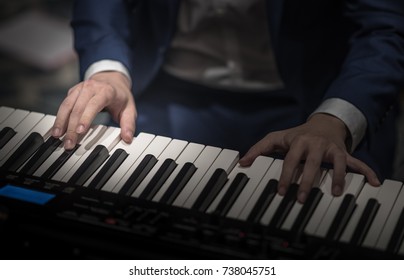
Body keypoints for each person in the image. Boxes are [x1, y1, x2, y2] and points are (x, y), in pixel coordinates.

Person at [52, 0, 404, 203]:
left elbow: (385, 27)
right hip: (166, 94)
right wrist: (110, 72)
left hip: (311, 105)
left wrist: (335, 118)